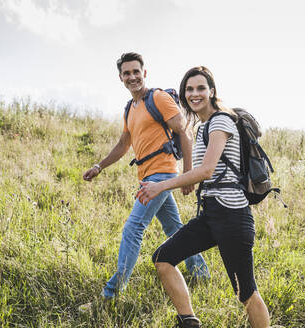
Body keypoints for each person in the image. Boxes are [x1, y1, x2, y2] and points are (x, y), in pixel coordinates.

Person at [137, 66, 270, 328]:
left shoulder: (221, 121)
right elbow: (203, 172)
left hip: (232, 216)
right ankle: (189, 322)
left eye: (200, 88)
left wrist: (162, 186)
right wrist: (188, 180)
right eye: (189, 89)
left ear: (212, 91)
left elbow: (207, 170)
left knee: (246, 292)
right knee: (163, 259)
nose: (194, 94)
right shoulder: (203, 127)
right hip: (211, 215)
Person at [82, 53, 209, 303]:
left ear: (144, 73)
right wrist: (100, 166)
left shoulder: (158, 98)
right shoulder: (130, 108)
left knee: (133, 228)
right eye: (127, 73)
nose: (132, 77)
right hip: (146, 175)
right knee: (174, 228)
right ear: (121, 78)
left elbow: (184, 131)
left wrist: (188, 173)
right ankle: (201, 274)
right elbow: (122, 144)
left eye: (136, 71)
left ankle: (110, 296)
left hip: (162, 173)